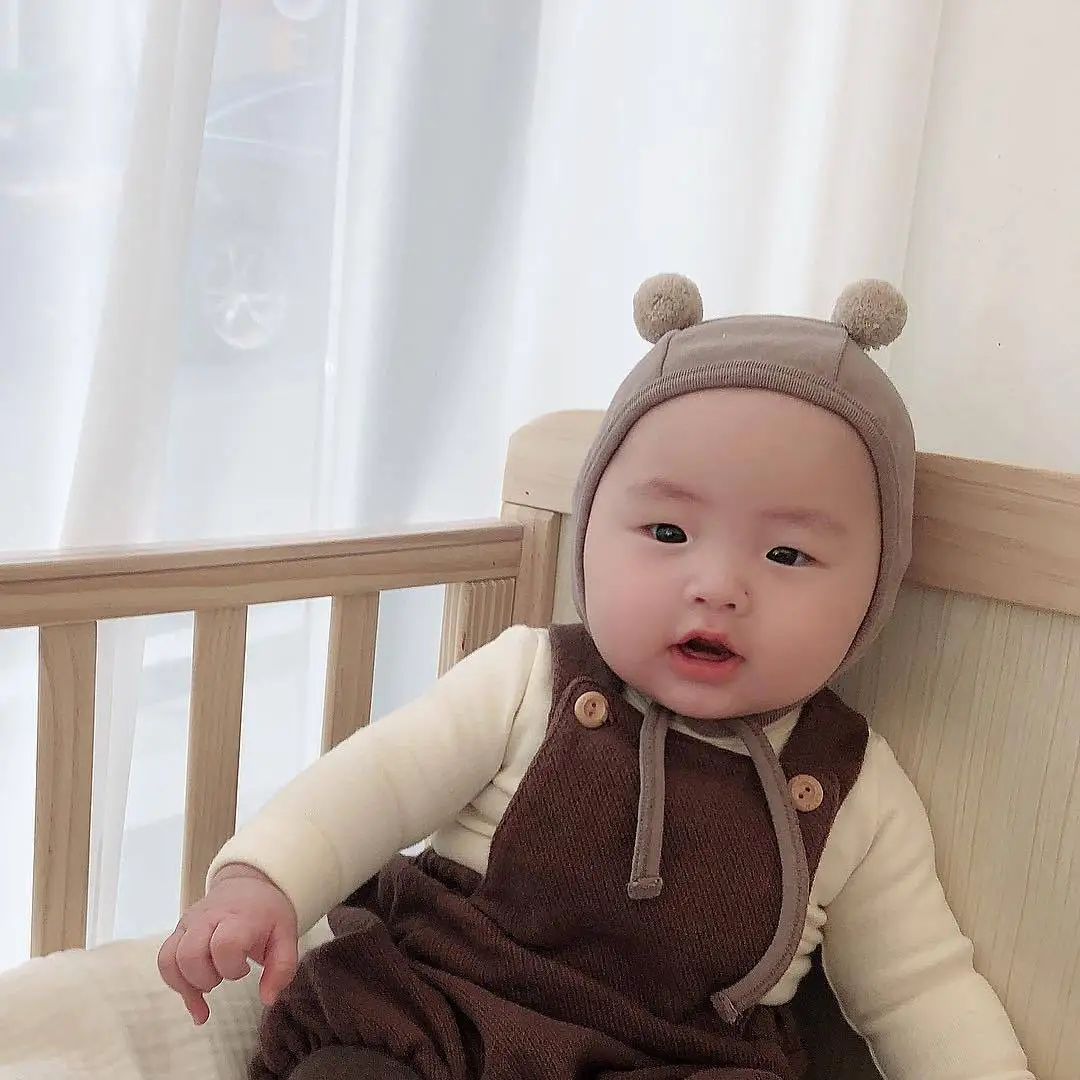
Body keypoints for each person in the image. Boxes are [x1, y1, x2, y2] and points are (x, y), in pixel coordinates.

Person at [158, 274, 1035, 1080]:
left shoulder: (853, 786)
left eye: (786, 554)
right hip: (438, 1011)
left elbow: (920, 990)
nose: (718, 586)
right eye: (667, 533)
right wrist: (262, 880)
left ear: (874, 591)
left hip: (673, 1058)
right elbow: (373, 785)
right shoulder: (530, 679)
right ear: (589, 535)